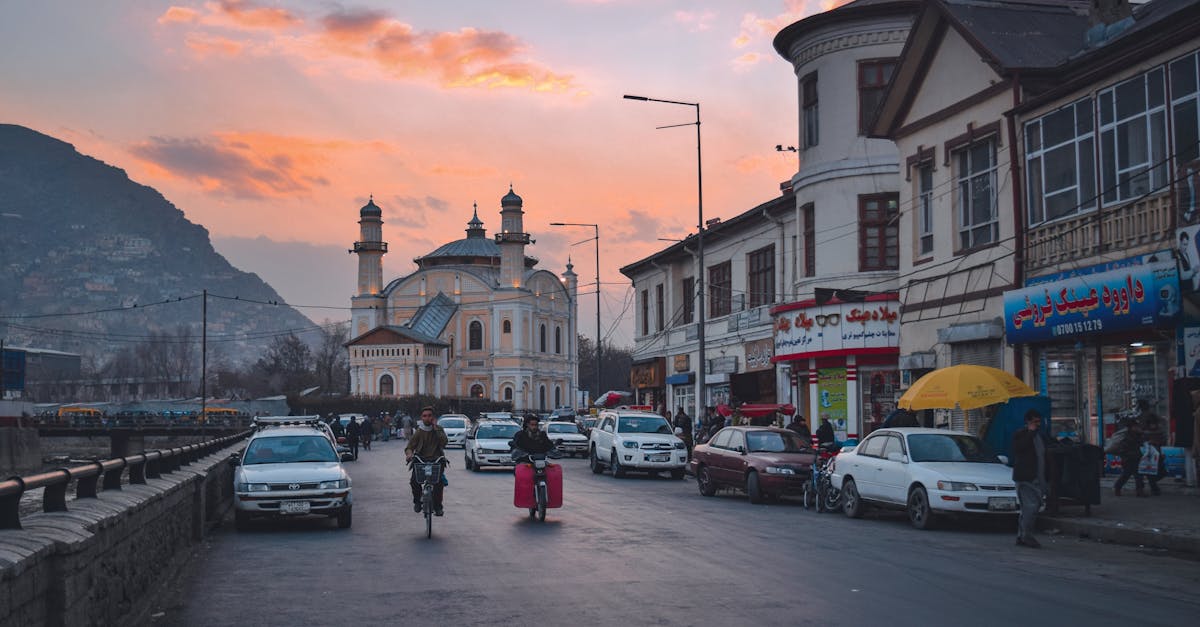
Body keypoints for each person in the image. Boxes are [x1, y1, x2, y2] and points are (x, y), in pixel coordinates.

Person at [1012, 410, 1049, 548]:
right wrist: (1030, 432)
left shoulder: (1039, 436)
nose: (1037, 425)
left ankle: (1022, 536)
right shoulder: (1021, 434)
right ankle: (1026, 536)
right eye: (1034, 422)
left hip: (1038, 477)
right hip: (1026, 478)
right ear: (1028, 421)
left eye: (1039, 422)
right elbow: (1019, 448)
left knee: (1032, 507)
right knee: (1030, 508)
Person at [405, 406, 448, 516]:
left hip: (436, 460)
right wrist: (409, 454)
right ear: (421, 418)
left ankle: (438, 506)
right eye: (425, 416)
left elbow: (444, 442)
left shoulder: (438, 429)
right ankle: (417, 502)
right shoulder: (419, 432)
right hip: (421, 461)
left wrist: (435, 428)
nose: (427, 418)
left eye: (429, 416)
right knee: (414, 481)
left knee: (439, 483)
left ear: (433, 417)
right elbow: (410, 446)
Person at [1136, 399, 1167, 495]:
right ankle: (1153, 487)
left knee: (1151, 466)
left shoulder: (1142, 416)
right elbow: (1161, 425)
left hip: (1148, 445)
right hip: (1152, 445)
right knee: (1155, 466)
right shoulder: (1148, 415)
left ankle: (1152, 486)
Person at [1112, 418, 1146, 497]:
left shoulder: (1137, 434)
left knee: (1138, 475)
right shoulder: (1127, 436)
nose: (1137, 427)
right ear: (1131, 427)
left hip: (1135, 457)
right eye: (1135, 426)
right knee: (1126, 475)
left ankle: (1139, 491)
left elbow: (1141, 443)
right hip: (1128, 459)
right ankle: (1117, 487)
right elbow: (1126, 447)